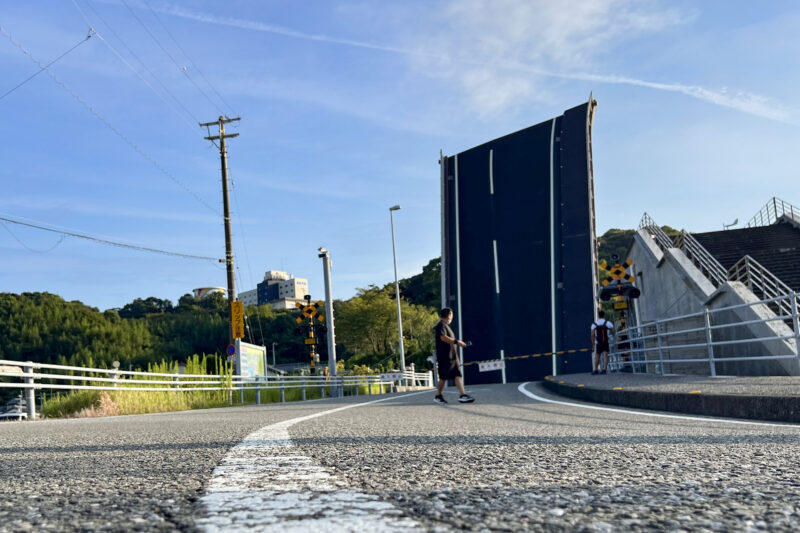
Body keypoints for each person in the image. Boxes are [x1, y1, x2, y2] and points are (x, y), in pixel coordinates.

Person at [433, 308, 474, 404]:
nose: (452, 317)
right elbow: (443, 337)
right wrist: (457, 342)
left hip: (451, 357)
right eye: (452, 314)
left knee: (457, 375)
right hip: (445, 357)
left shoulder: (446, 326)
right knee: (443, 377)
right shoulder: (441, 325)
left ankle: (462, 395)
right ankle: (439, 396)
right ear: (449, 315)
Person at [591, 310, 614, 375]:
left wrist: (593, 345)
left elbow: (592, 335)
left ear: (598, 316)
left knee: (597, 356)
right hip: (605, 341)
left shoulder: (594, 324)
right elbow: (613, 331)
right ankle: (604, 370)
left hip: (598, 342)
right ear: (604, 315)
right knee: (605, 355)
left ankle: (596, 370)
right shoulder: (607, 323)